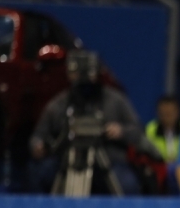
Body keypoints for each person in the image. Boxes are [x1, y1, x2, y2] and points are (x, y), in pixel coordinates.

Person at [28, 50, 143, 195]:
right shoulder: (59, 104)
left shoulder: (116, 100)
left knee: (128, 184)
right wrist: (37, 146)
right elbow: (38, 136)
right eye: (77, 74)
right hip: (66, 159)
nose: (84, 80)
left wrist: (121, 131)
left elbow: (138, 131)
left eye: (89, 74)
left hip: (109, 160)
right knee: (38, 173)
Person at [145, 95, 180, 163]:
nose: (167, 118)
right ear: (158, 113)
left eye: (170, 113)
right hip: (158, 167)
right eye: (164, 113)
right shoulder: (150, 130)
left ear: (178, 112)